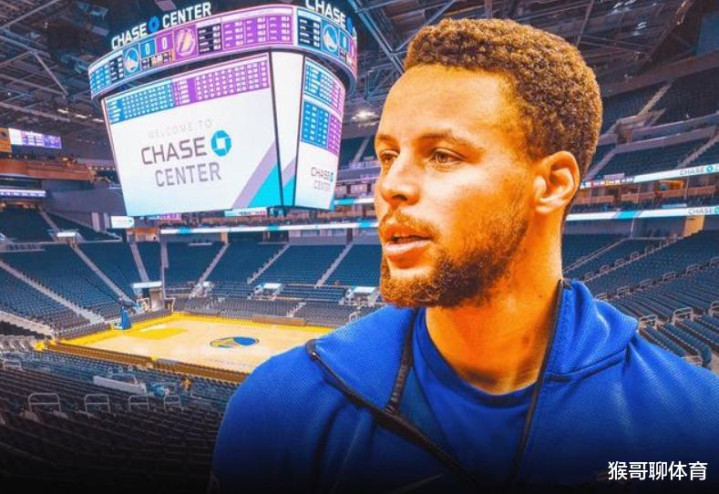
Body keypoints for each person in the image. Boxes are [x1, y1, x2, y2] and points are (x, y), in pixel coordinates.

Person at [211, 19, 719, 493]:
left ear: (552, 183)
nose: (390, 186)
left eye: (442, 156)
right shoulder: (278, 408)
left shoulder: (695, 425)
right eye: (388, 156)